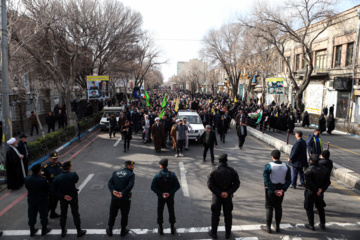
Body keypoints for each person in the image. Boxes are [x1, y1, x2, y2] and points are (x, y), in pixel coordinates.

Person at [207, 154, 240, 239]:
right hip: (228, 197)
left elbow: (210, 184)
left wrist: (219, 193)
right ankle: (228, 233)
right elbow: (237, 183)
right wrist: (228, 192)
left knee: (215, 215)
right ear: (227, 160)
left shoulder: (214, 171)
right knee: (228, 215)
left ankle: (214, 233)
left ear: (219, 160)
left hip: (217, 196)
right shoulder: (232, 171)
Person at [52, 161, 86, 238]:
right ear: (69, 167)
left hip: (63, 199)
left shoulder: (57, 178)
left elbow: (54, 191)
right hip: (73, 197)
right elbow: (76, 180)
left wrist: (63, 196)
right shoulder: (73, 175)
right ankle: (79, 231)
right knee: (75, 213)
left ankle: (63, 231)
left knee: (63, 215)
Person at [261, 150, 291, 233]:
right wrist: (282, 190)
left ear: (272, 157)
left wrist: (273, 190)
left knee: (269, 207)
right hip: (281, 189)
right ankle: (277, 226)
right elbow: (288, 180)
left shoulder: (269, 166)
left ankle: (268, 227)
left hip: (271, 190)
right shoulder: (286, 167)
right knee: (278, 207)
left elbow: (266, 180)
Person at [151, 159, 181, 235]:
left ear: (161, 166)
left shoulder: (157, 175)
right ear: (167, 165)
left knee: (160, 211)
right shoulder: (172, 175)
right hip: (170, 197)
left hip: (161, 198)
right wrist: (169, 193)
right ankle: (172, 228)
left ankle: (160, 228)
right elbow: (177, 186)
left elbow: (153, 187)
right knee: (171, 211)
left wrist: (161, 193)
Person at [106, 161, 135, 237]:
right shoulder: (131, 174)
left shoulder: (115, 172)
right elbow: (130, 186)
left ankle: (110, 229)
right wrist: (122, 193)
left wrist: (113, 191)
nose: (133, 167)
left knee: (112, 214)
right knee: (124, 214)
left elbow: (109, 183)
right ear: (128, 166)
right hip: (125, 198)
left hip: (114, 198)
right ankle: (123, 230)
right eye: (132, 166)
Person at [303, 154, 331, 231]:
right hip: (320, 193)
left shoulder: (308, 170)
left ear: (311, 161)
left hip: (310, 192)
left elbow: (309, 183)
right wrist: (321, 189)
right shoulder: (325, 170)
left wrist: (316, 190)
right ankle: (322, 224)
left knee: (309, 208)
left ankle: (311, 224)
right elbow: (328, 182)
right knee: (320, 208)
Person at [25, 164, 52, 237]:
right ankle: (44, 230)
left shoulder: (27, 179)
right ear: (39, 171)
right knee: (43, 216)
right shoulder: (43, 180)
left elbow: (27, 187)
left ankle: (32, 230)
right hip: (42, 201)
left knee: (31, 216)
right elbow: (48, 190)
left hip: (31, 200)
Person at [42, 152, 63, 219]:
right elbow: (42, 178)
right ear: (50, 158)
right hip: (51, 188)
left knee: (56, 201)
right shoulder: (45, 167)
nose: (55, 160)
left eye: (56, 158)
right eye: (54, 159)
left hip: (59, 187)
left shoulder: (60, 165)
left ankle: (53, 213)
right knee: (50, 203)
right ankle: (44, 217)